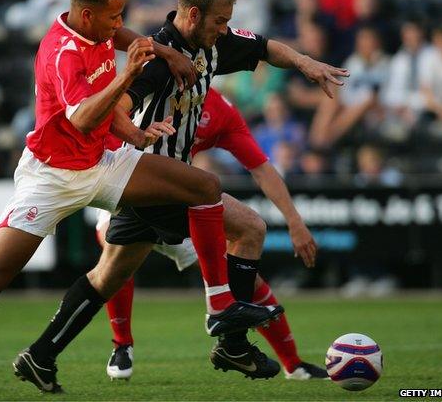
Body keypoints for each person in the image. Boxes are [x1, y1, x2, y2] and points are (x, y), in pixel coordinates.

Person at [0, 0, 277, 401]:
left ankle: (220, 306)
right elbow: (83, 120)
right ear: (87, 14)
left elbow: (121, 45)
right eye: (113, 17)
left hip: (101, 162)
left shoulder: (95, 27)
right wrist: (129, 74)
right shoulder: (63, 52)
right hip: (52, 177)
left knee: (204, 185)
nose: (120, 25)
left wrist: (157, 63)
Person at [16, 0, 347, 392]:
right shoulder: (158, 58)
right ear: (193, 15)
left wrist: (305, 63)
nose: (225, 30)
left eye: (228, 22)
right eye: (219, 22)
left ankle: (41, 354)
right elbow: (117, 106)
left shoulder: (213, 44)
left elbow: (264, 47)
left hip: (154, 186)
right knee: (248, 228)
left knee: (108, 276)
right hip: (149, 177)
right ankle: (228, 333)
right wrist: (136, 134)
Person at [100, 88, 328, 381]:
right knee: (113, 264)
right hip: (128, 190)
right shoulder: (152, 87)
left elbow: (261, 168)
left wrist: (295, 221)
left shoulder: (219, 112)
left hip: (176, 204)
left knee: (242, 272)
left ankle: (291, 364)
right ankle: (122, 346)